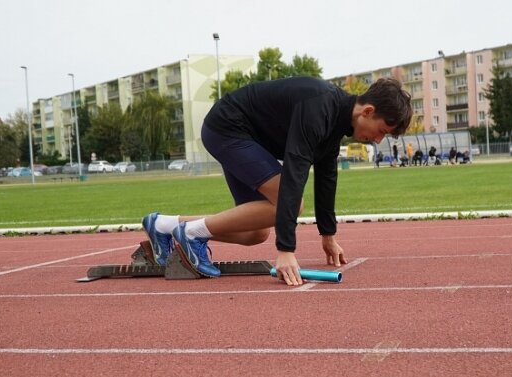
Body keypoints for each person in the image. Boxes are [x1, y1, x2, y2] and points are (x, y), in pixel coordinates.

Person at [141, 77, 413, 285]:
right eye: (381, 132)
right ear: (367, 111)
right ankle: (190, 234)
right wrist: (285, 250)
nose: (378, 140)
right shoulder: (319, 107)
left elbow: (327, 179)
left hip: (242, 137)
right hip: (228, 128)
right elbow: (294, 174)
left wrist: (328, 236)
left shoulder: (337, 124)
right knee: (291, 204)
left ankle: (163, 225)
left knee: (255, 233)